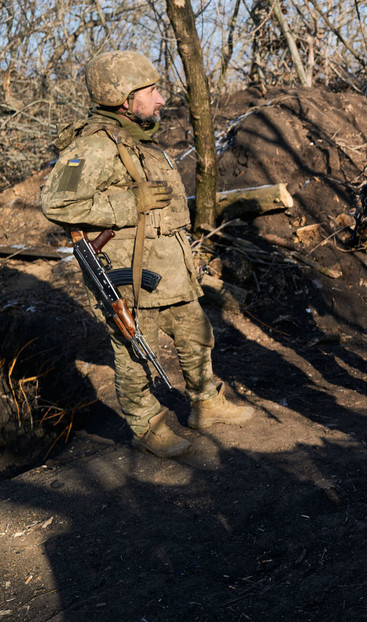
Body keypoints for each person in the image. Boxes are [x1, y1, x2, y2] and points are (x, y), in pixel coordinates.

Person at [40, 50, 254, 458]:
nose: (160, 99)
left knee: (196, 334)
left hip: (169, 266)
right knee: (136, 353)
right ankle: (147, 427)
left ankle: (206, 404)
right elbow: (56, 202)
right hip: (131, 275)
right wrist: (128, 203)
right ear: (123, 97)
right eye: (151, 90)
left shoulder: (138, 138)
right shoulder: (93, 146)